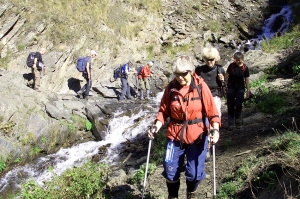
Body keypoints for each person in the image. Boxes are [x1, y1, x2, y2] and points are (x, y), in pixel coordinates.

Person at [148, 55, 221, 199]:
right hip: (174, 134)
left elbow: (213, 113)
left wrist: (216, 130)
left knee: (194, 174)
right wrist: (155, 127)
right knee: (170, 170)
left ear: (191, 71)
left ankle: (191, 194)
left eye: (184, 73)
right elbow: (163, 112)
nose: (180, 77)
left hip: (197, 136)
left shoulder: (201, 86)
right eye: (177, 74)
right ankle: (173, 196)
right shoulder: (171, 88)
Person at [225, 51, 250, 130]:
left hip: (240, 88)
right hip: (231, 87)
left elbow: (247, 79)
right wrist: (224, 83)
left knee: (239, 103)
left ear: (243, 59)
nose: (239, 61)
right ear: (235, 60)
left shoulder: (245, 68)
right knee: (230, 105)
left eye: (241, 59)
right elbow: (227, 75)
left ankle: (238, 118)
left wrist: (248, 90)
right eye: (237, 60)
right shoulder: (231, 66)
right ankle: (231, 124)